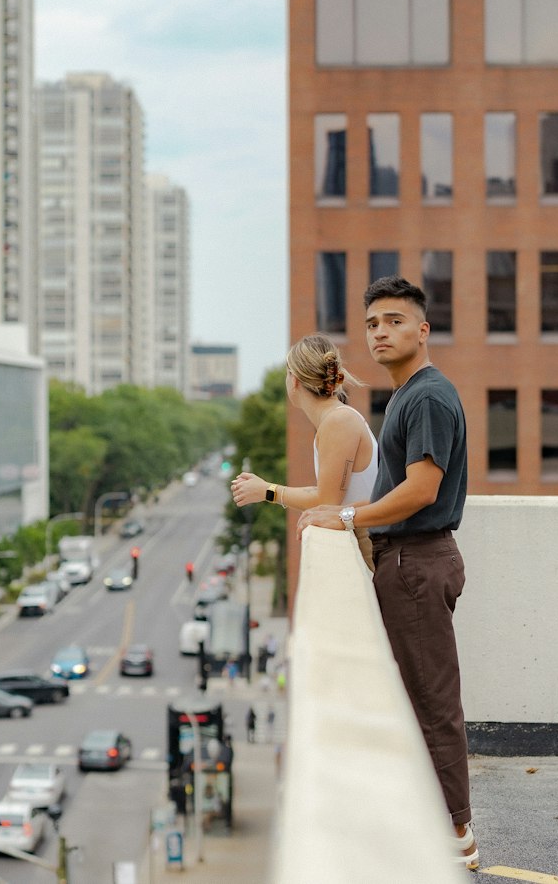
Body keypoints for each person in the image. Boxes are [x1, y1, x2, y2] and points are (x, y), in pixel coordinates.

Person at [296, 276, 478, 871]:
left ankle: (457, 837)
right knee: (417, 696)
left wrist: (346, 514)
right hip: (411, 562)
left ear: (422, 330)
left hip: (416, 563)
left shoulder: (425, 396)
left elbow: (421, 490)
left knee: (431, 702)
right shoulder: (404, 394)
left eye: (395, 321)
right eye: (372, 323)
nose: (380, 332)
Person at [231, 333, 378, 569]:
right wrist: (264, 488)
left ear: (295, 380)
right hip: (369, 542)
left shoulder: (338, 422)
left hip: (371, 549)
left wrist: (268, 491)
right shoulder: (337, 419)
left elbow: (327, 502)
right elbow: (327, 492)